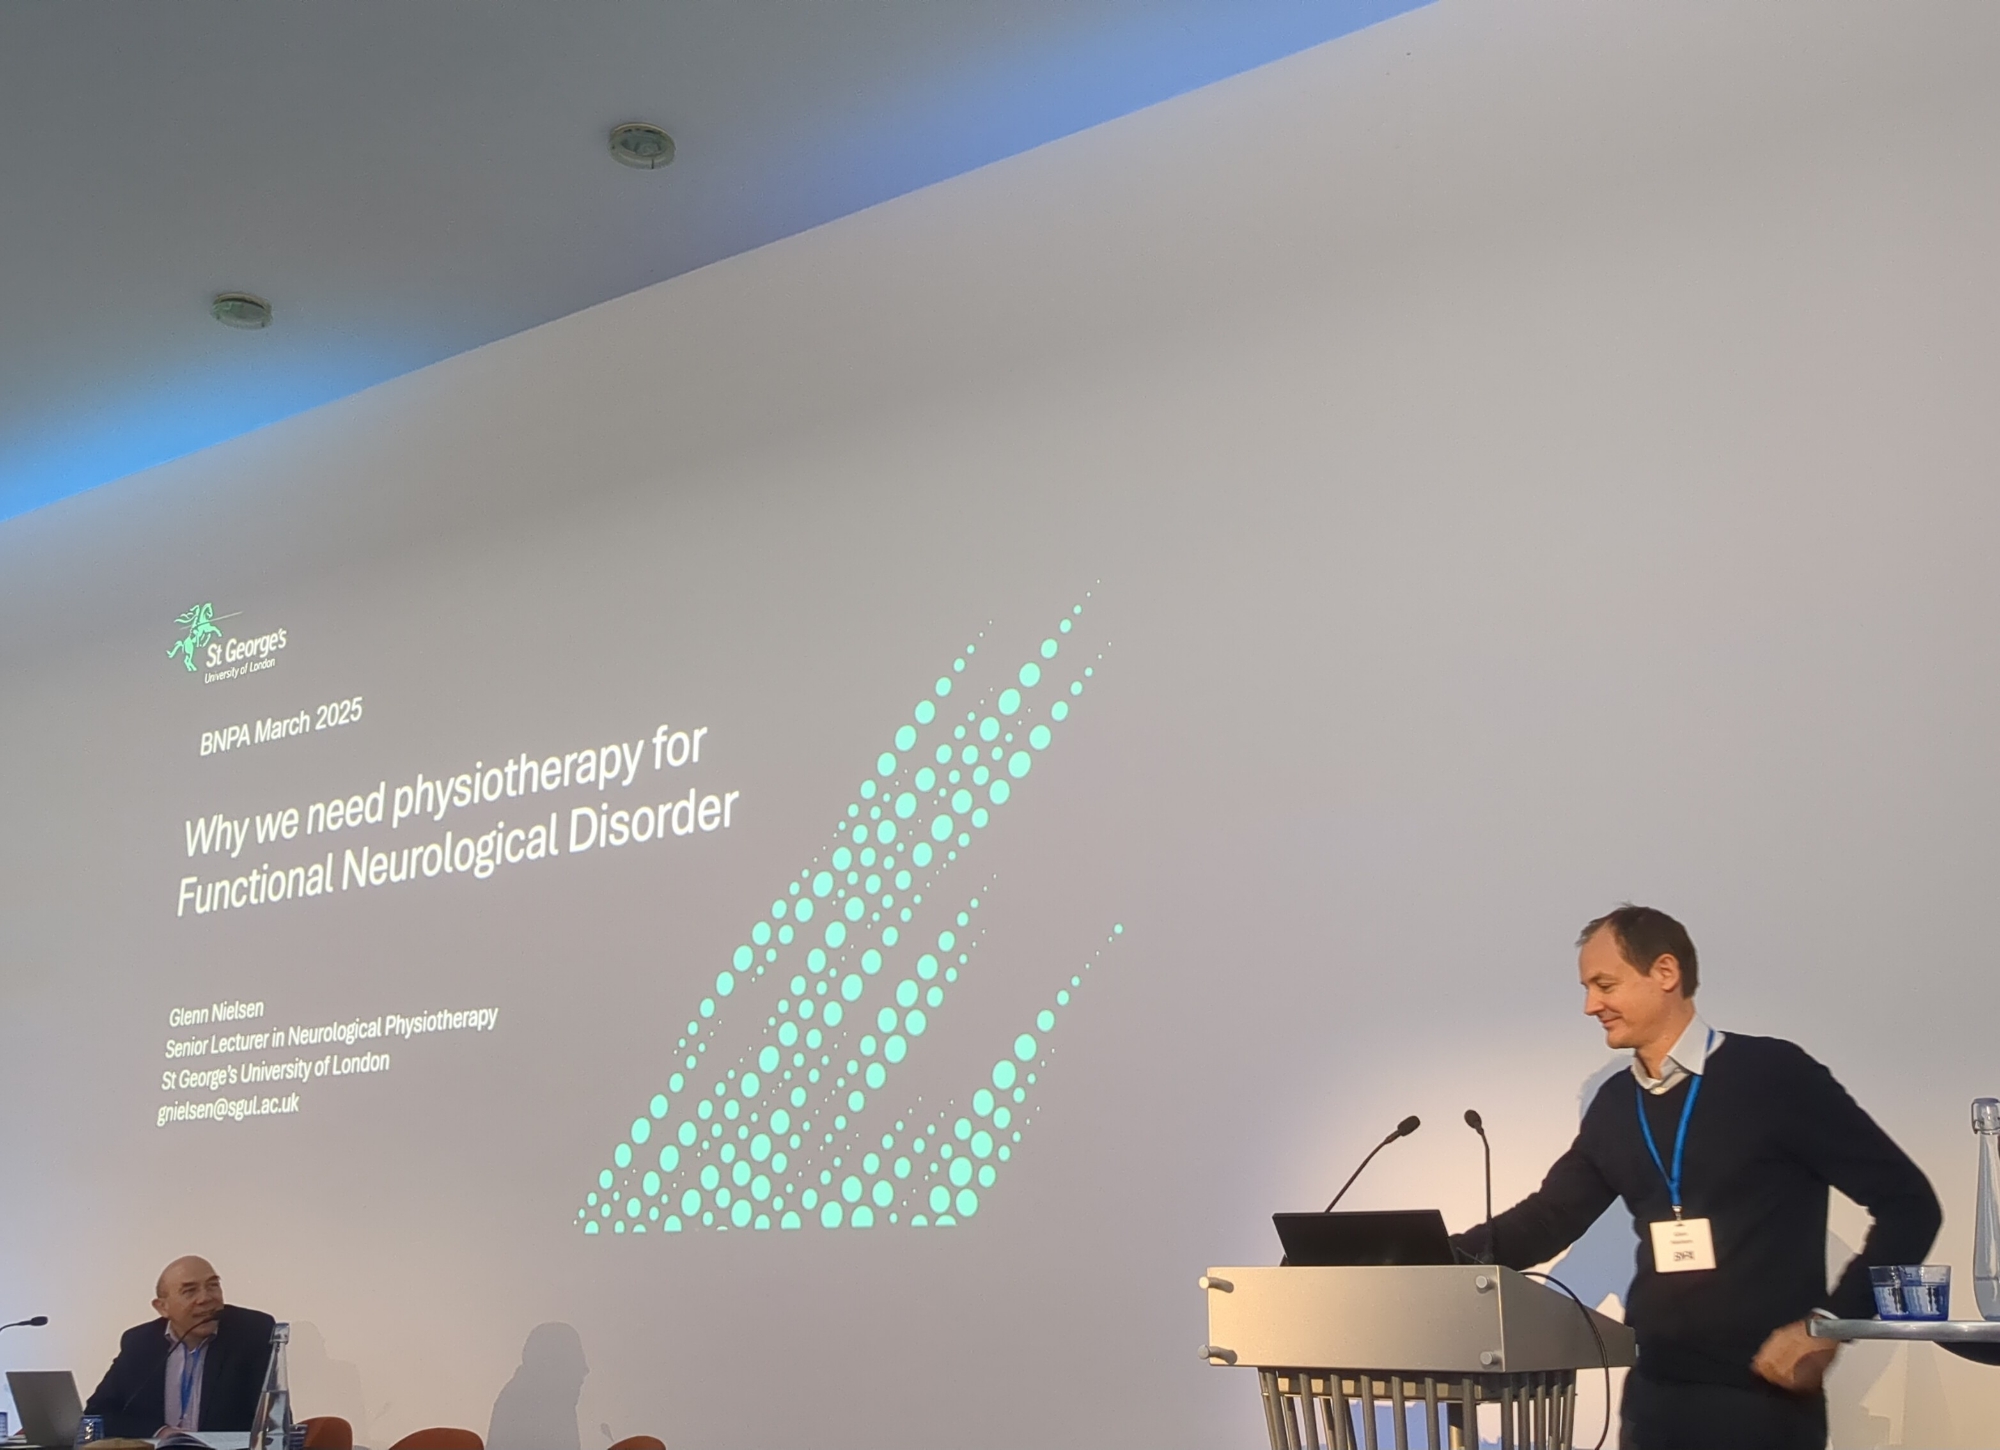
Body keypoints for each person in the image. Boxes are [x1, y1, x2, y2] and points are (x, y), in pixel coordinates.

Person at [1451, 906, 1940, 1450]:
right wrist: (1426, 1257)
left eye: (1605, 985)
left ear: (1665, 972)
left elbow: (1909, 1204)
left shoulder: (1774, 1075)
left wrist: (1829, 1324)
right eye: (1587, 989)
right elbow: (1547, 1219)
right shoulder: (1616, 1104)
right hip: (1654, 1402)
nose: (1591, 1006)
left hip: (1761, 1407)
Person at [83, 1255, 278, 1440]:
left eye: (213, 1286)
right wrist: (159, 1432)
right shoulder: (140, 1343)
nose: (205, 1298)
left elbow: (273, 1420)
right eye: (190, 1291)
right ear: (162, 1307)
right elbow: (96, 1415)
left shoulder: (252, 1332)